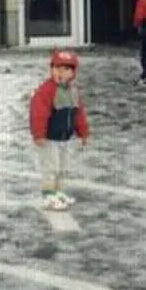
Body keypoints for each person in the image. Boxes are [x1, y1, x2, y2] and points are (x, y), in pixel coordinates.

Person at [28, 49, 91, 211]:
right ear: (51, 69)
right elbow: (38, 114)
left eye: (66, 69)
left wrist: (83, 132)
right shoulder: (46, 91)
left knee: (63, 167)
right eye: (57, 68)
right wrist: (39, 134)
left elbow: (79, 114)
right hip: (49, 139)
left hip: (65, 138)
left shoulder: (73, 92)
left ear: (73, 72)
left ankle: (58, 192)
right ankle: (49, 195)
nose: (61, 73)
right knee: (51, 167)